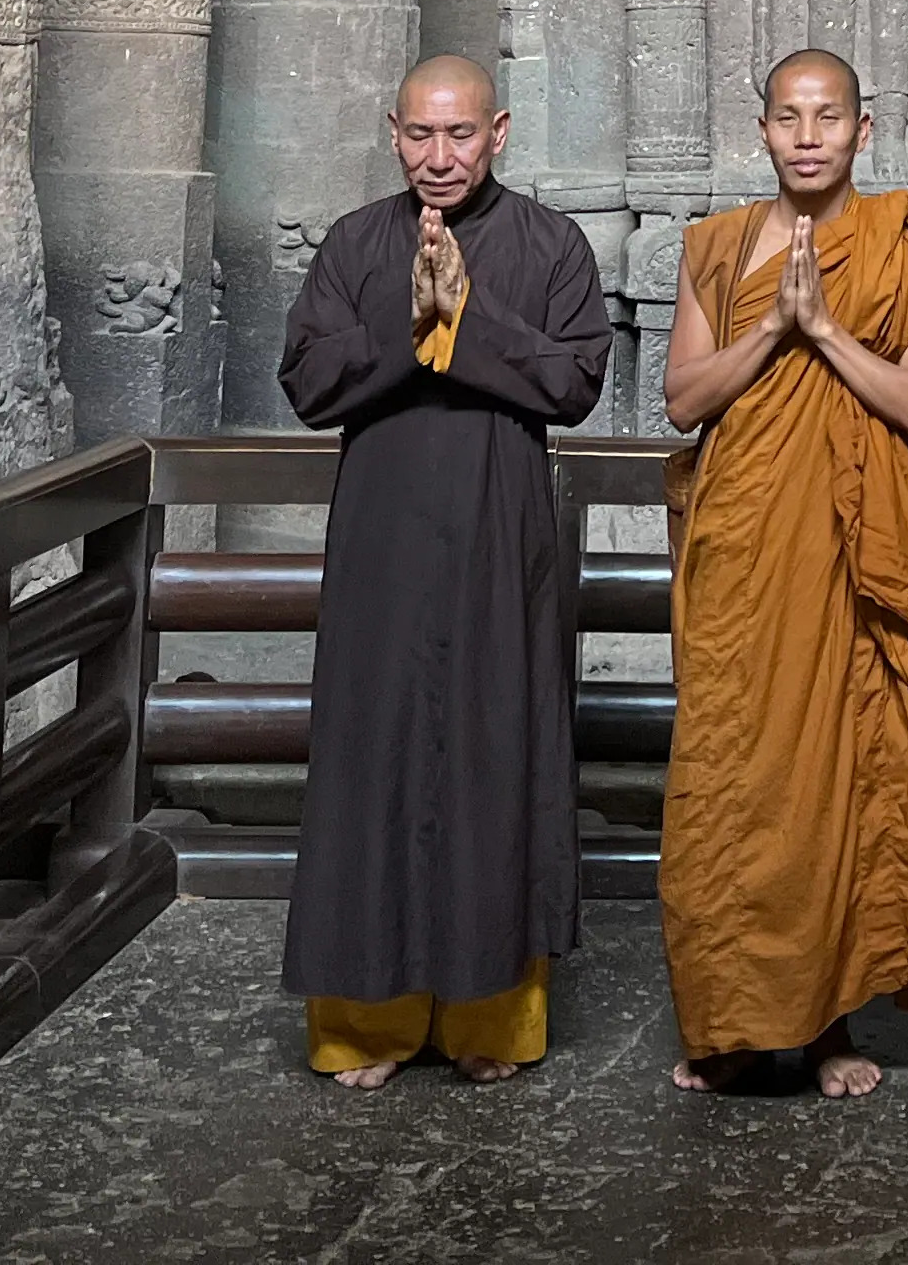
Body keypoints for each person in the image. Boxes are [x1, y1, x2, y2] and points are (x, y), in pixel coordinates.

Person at [277, 53, 613, 1087]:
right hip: (380, 542)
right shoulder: (353, 245)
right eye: (419, 135)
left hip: (496, 541)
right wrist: (406, 319)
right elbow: (308, 380)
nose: (439, 156)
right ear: (392, 133)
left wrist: (467, 315)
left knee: (492, 757)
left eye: (460, 134)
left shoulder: (550, 244)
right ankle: (365, 1028)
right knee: (370, 761)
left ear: (500, 132)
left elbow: (573, 382)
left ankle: (488, 1023)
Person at [657, 48, 908, 1098]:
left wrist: (825, 329)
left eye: (828, 117)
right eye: (789, 117)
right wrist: (770, 327)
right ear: (761, 131)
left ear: (863, 131)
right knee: (731, 779)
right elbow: (683, 397)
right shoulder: (714, 246)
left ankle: (834, 1025)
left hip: (854, 562)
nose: (809, 135)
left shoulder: (906, 245)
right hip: (744, 553)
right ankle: (724, 1027)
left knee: (844, 779)